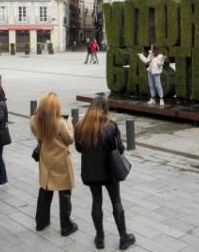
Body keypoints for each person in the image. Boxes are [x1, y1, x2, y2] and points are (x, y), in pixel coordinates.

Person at [75, 96, 136, 250]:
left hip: (91, 171)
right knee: (116, 201)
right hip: (110, 171)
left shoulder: (81, 126)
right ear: (105, 108)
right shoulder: (111, 126)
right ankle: (123, 237)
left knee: (96, 201)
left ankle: (100, 238)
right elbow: (120, 149)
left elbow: (79, 148)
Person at [30, 92, 78, 236]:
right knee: (64, 194)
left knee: (45, 190)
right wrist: (69, 121)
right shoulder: (60, 123)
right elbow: (70, 139)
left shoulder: (34, 120)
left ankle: (41, 222)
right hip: (61, 162)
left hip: (46, 161)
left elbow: (36, 134)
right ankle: (66, 226)